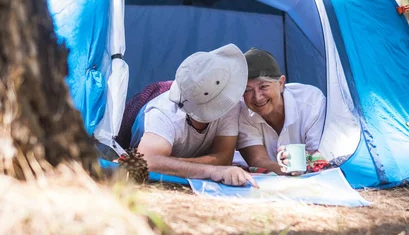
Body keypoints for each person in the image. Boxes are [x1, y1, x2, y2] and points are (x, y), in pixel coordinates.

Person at [133, 44, 259, 188]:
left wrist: (171, 163)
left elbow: (224, 157)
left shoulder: (228, 102)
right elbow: (147, 160)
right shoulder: (163, 113)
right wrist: (210, 170)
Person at [237, 48, 326, 175]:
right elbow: (258, 160)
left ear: (281, 83)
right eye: (247, 90)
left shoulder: (311, 103)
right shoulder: (243, 111)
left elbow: (320, 156)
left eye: (264, 86)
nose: (257, 97)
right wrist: (287, 171)